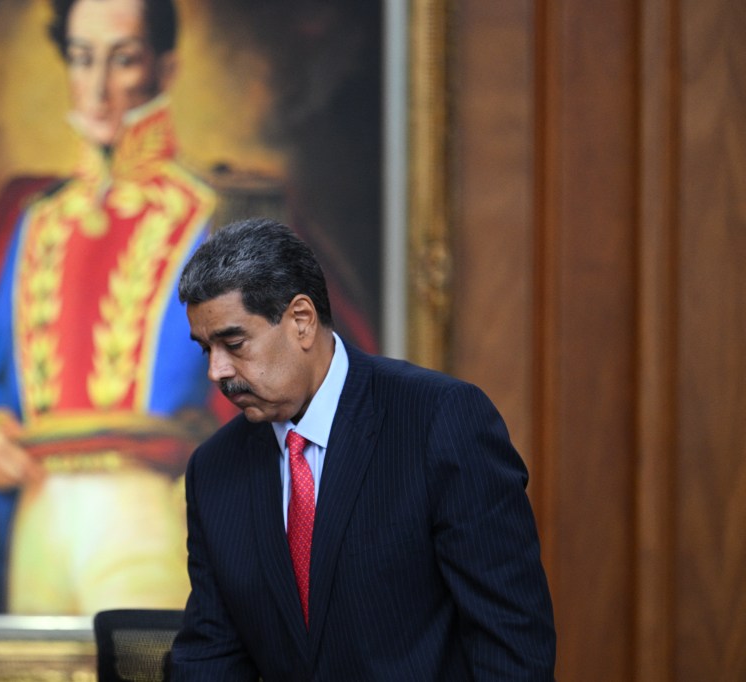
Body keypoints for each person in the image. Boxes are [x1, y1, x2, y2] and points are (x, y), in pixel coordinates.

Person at [0, 0, 222, 614]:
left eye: (123, 60)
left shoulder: (213, 218)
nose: (99, 87)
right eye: (82, 60)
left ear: (165, 70)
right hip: (39, 510)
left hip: (152, 513)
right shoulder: (27, 224)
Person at [170, 218, 556, 680]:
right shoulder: (214, 470)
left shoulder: (439, 422)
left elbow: (511, 643)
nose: (217, 371)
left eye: (233, 343)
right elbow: (210, 657)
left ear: (301, 321)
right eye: (205, 349)